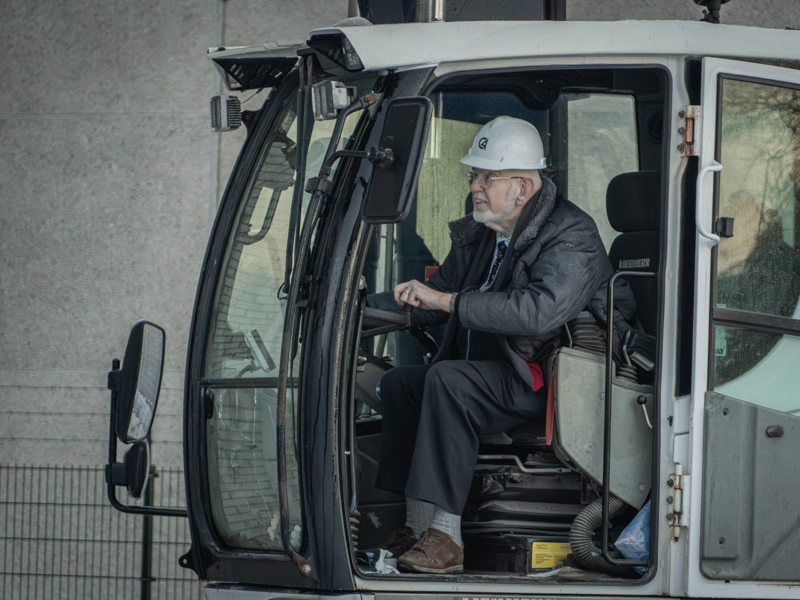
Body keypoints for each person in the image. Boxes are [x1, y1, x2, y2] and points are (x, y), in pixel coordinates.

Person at [367, 116, 634, 574]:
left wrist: (448, 300)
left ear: (523, 187)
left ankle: (446, 539)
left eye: (487, 177)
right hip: (501, 372)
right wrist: (359, 310)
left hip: (551, 379)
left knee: (448, 381)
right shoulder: (484, 231)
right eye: (474, 176)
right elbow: (436, 296)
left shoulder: (572, 235)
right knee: (401, 385)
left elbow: (537, 313)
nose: (475, 187)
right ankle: (416, 529)